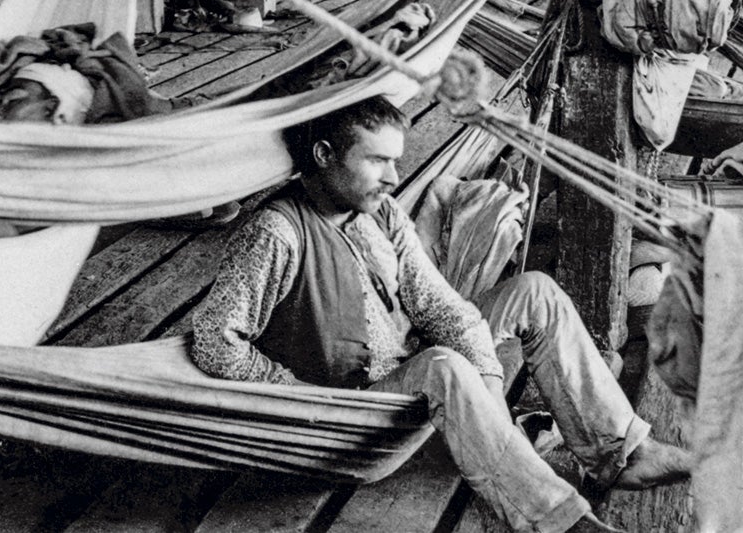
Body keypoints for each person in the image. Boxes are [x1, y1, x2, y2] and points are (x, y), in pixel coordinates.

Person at [192, 96, 691, 533]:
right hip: (351, 409)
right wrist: (296, 394)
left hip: (409, 368)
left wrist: (489, 384)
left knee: (534, 291)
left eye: (396, 161)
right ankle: (558, 520)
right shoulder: (278, 233)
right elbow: (215, 339)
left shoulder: (378, 213)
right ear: (324, 156)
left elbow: (439, 305)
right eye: (378, 161)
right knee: (442, 365)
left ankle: (622, 455)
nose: (393, 177)